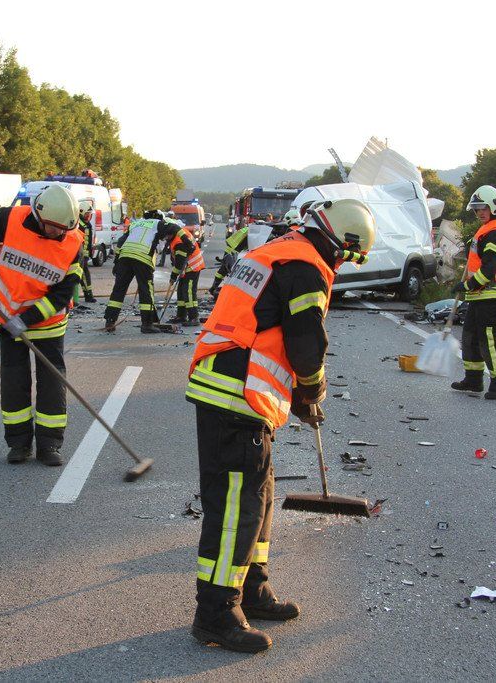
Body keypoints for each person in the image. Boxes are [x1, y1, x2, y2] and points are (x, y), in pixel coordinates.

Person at [185, 198, 375, 653]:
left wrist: (298, 396)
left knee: (260, 497)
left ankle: (252, 588)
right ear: (339, 243)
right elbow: (306, 344)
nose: (343, 264)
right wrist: (312, 392)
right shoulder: (305, 267)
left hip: (233, 387)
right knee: (237, 507)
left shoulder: (276, 250)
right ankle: (215, 613)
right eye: (348, 256)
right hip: (236, 394)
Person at [0, 185, 83, 466]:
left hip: (47, 324)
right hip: (5, 316)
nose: (57, 233)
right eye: (52, 227)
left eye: (63, 229)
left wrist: (26, 320)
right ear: (38, 214)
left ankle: (49, 445)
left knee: (52, 384)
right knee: (14, 382)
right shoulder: (11, 219)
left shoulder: (73, 243)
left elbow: (62, 294)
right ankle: (19, 444)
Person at [450, 184, 496, 400]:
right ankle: (473, 379)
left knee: (489, 339)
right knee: (471, 336)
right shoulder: (491, 227)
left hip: (493, 294)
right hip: (483, 294)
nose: (479, 213)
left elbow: (490, 269)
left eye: (483, 208)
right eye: (476, 209)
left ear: (494, 206)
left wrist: (468, 285)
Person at [103, 210, 177, 334]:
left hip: (125, 257)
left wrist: (116, 263)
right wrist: (186, 241)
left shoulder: (135, 224)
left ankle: (110, 322)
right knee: (146, 290)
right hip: (142, 258)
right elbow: (174, 229)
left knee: (118, 289)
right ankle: (147, 324)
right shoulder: (158, 224)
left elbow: (121, 242)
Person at [167, 221, 204, 325]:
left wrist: (173, 276)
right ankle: (181, 316)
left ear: (171, 233)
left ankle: (194, 317)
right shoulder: (177, 234)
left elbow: (179, 264)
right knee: (181, 291)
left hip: (192, 267)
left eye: (166, 236)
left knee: (188, 292)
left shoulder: (180, 242)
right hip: (186, 267)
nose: (165, 238)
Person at [209, 221, 249, 297]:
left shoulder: (247, 230)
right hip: (234, 252)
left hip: (230, 249)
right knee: (232, 272)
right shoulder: (252, 233)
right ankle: (228, 291)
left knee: (223, 270)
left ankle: (213, 288)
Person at [77, 200, 97, 303]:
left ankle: (88, 295)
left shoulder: (86, 224)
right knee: (84, 274)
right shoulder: (78, 224)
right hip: (79, 255)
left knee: (84, 274)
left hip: (84, 254)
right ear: (81, 212)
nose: (89, 216)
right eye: (87, 214)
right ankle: (88, 296)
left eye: (90, 214)